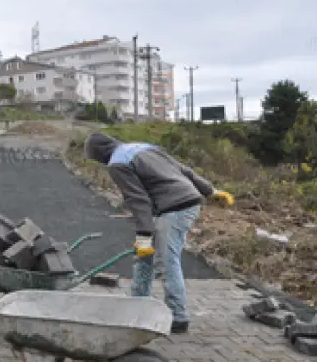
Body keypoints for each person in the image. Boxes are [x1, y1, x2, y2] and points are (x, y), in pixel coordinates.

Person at [83, 131, 234, 334]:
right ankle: (138, 304)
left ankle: (178, 316)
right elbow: (184, 170)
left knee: (166, 260)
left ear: (100, 154)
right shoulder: (142, 147)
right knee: (143, 257)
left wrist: (144, 234)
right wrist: (209, 190)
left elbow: (138, 200)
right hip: (183, 200)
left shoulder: (117, 164)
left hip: (176, 208)